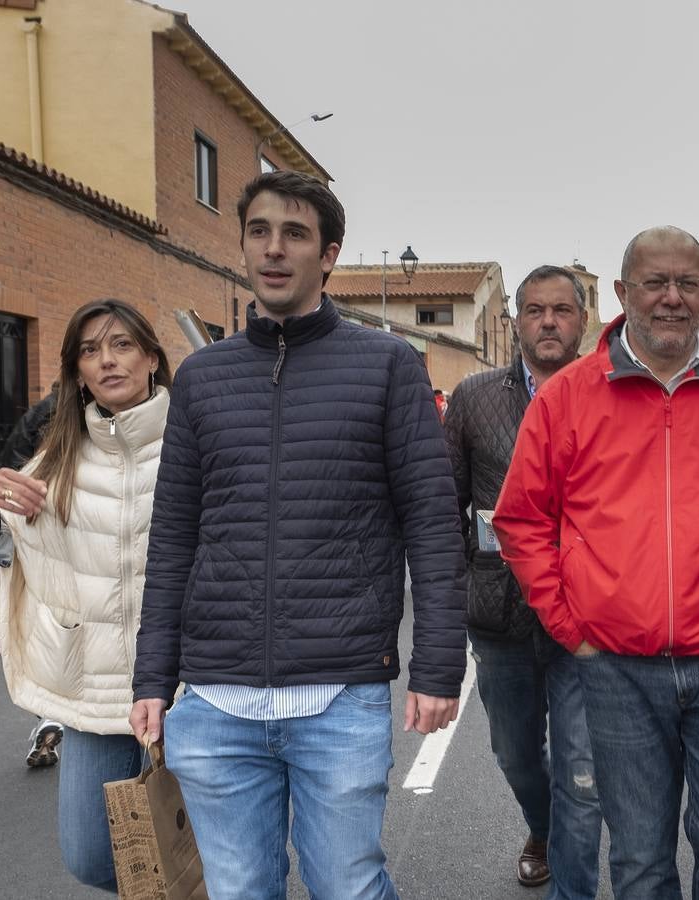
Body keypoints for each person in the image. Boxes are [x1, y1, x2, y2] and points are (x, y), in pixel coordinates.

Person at [130, 170, 466, 900]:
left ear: (329, 254)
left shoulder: (384, 366)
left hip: (340, 693)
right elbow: (174, 536)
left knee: (347, 887)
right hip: (215, 703)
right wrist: (152, 677)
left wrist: (440, 666)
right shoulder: (202, 378)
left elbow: (431, 525)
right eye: (259, 232)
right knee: (239, 890)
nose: (274, 249)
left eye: (295, 234)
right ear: (243, 246)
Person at [494, 226, 699, 899]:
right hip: (615, 667)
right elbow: (522, 520)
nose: (672, 298)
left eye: (688, 284)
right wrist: (571, 627)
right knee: (640, 861)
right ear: (622, 292)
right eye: (655, 282)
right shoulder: (569, 396)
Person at [0, 299, 173, 891]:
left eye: (123, 345)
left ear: (152, 356)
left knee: (210, 850)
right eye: (90, 351)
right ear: (76, 372)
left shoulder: (196, 441)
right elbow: (1, 557)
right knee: (91, 856)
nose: (108, 361)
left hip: (191, 690)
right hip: (96, 693)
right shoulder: (54, 456)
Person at [443, 265, 601, 896]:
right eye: (535, 310)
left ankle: (571, 874)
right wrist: (461, 585)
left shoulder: (609, 393)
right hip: (501, 615)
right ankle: (545, 826)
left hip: (587, 621)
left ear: (582, 321)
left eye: (562, 311)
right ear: (516, 320)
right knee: (515, 754)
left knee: (581, 766)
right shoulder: (475, 398)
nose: (548, 322)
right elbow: (443, 502)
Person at [0, 384, 67, 767]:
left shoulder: (39, 413)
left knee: (51, 638)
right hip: (54, 532)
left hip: (36, 543)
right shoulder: (71, 415)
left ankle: (51, 717)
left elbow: (7, 471)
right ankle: (56, 717)